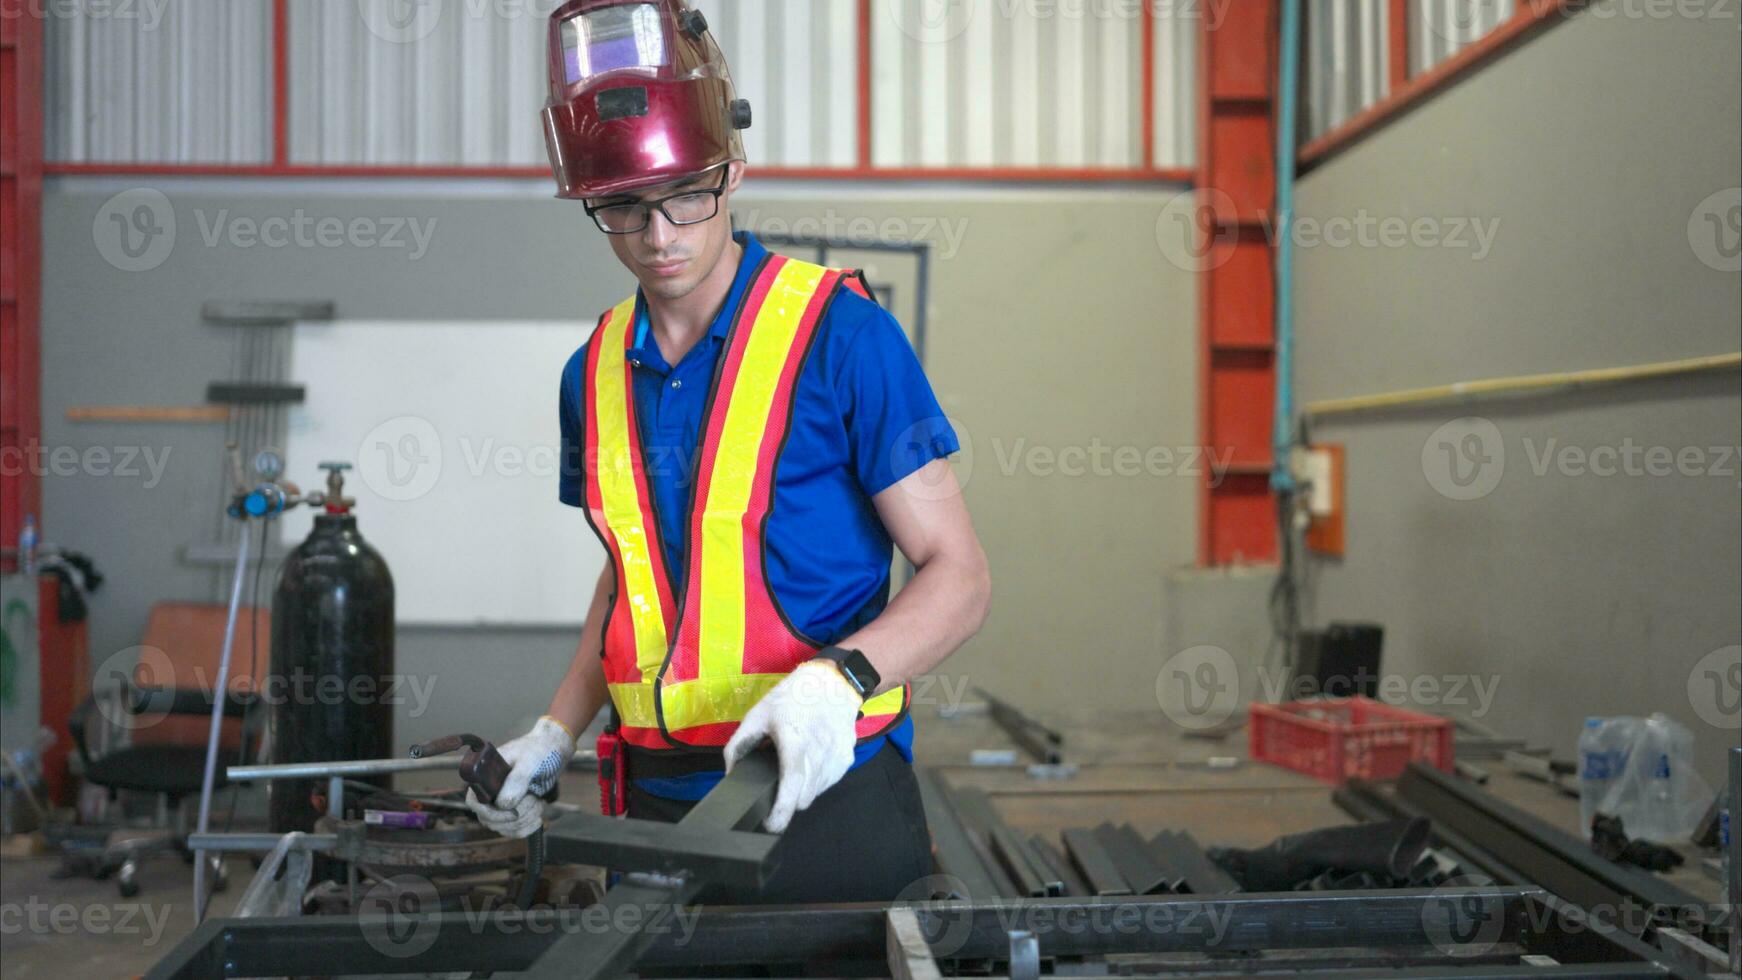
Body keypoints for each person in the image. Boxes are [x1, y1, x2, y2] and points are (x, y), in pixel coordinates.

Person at [464, 0, 991, 905]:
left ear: (733, 169)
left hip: (827, 791)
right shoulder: (589, 374)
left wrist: (841, 679)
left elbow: (961, 575)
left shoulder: (845, 337)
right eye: (623, 207)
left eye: (686, 196)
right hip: (655, 813)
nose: (659, 234)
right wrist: (555, 729)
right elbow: (635, 578)